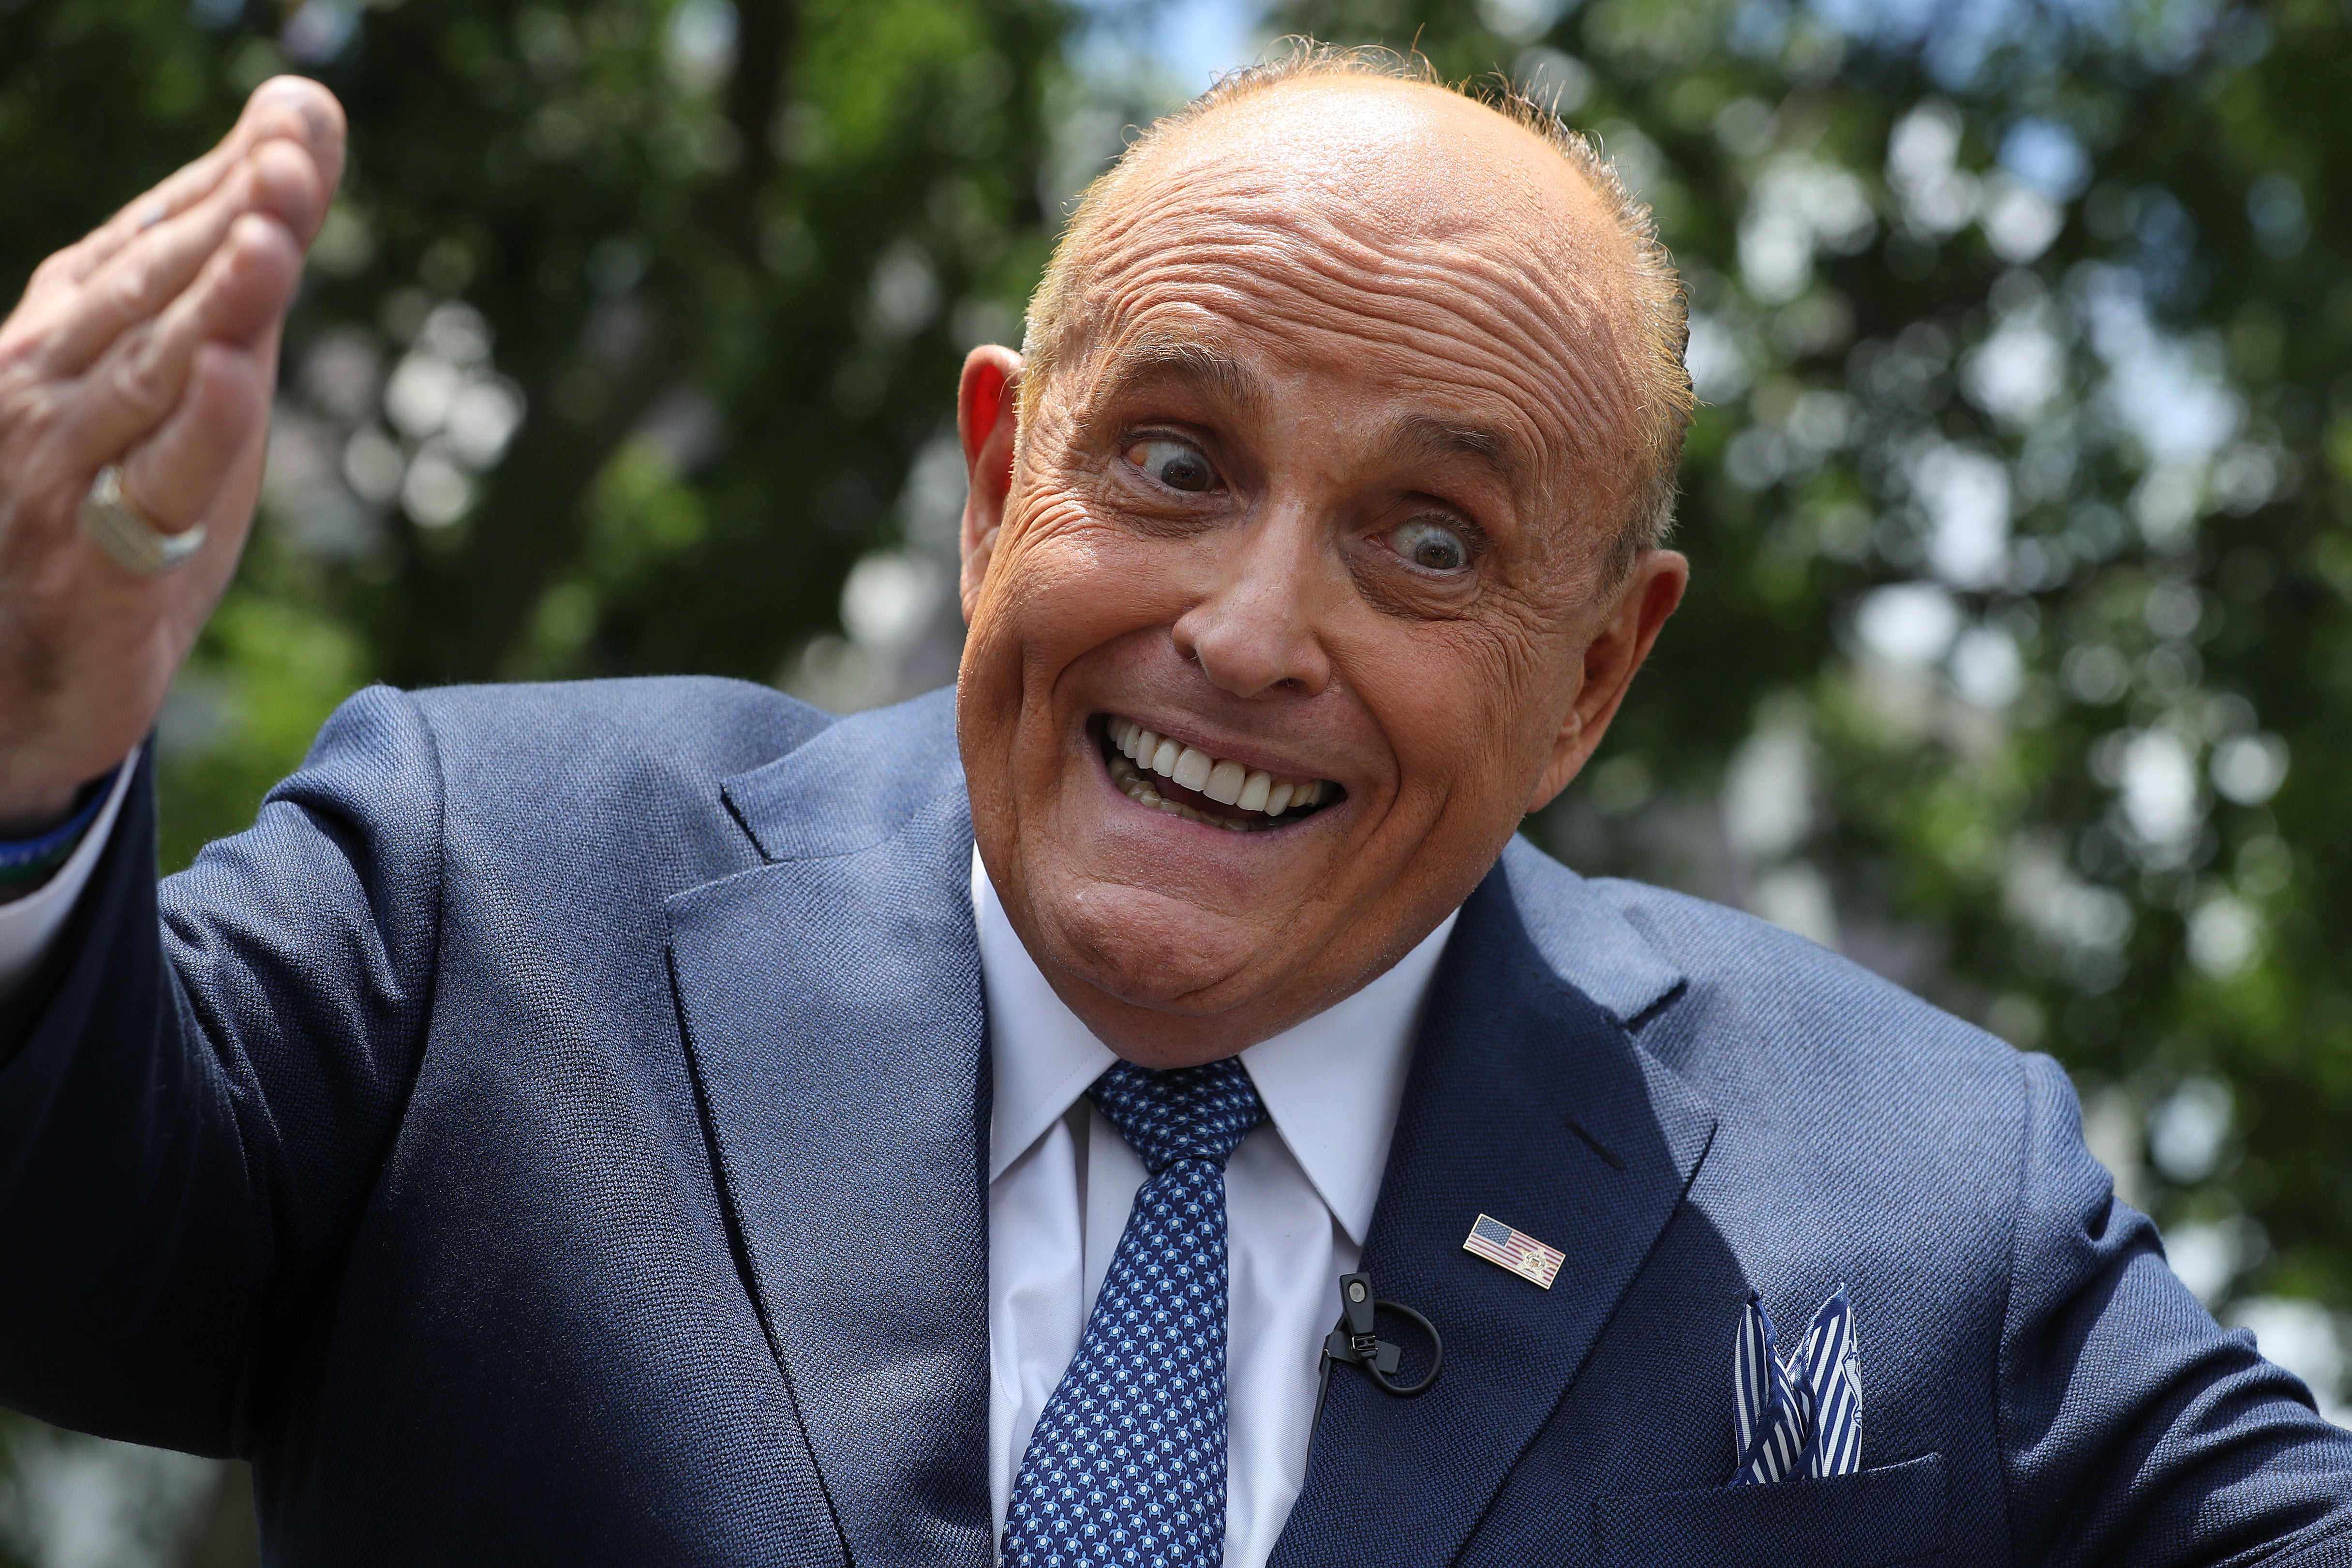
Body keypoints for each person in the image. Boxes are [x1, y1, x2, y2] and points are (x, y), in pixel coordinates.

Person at [1, 46, 2348, 1568]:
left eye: (1429, 541)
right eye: (1173, 463)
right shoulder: (487, 887)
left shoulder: (1933, 1187)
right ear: (1000, 480)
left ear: (1596, 676)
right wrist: (20, 757)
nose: (1246, 629)